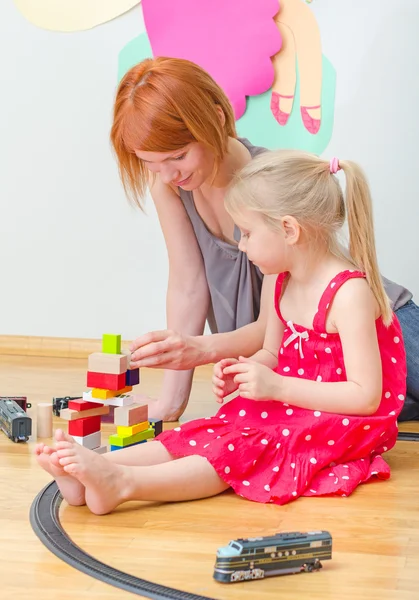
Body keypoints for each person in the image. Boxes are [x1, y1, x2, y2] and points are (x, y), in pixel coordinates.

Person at [36, 149, 406, 515]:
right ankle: (95, 468)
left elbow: (365, 398)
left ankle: (124, 484)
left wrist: (277, 387)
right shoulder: (280, 279)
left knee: (242, 447)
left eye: (246, 233)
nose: (241, 246)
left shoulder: (349, 293)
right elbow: (273, 354)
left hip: (340, 418)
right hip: (292, 401)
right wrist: (245, 371)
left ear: (289, 230)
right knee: (212, 428)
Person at [110, 56, 418, 422]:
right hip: (307, 357)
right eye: (150, 161)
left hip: (378, 328)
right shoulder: (170, 186)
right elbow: (188, 286)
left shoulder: (266, 184)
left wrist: (198, 348)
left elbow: (269, 326)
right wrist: (171, 403)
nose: (166, 173)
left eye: (178, 155)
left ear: (217, 119)